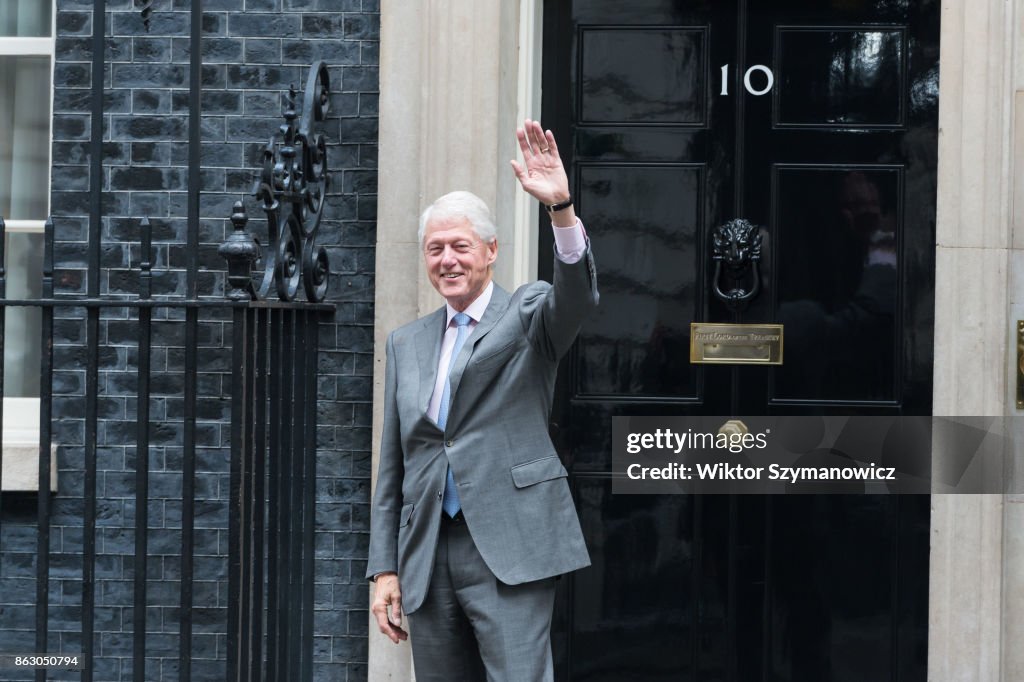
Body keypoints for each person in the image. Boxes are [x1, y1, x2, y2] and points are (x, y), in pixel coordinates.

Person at [366, 119, 598, 681]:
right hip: (427, 552)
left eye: (460, 246)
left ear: (491, 251)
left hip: (509, 545)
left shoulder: (527, 315)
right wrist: (384, 571)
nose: (447, 259)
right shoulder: (407, 342)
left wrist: (561, 208)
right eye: (435, 248)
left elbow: (576, 296)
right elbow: (394, 468)